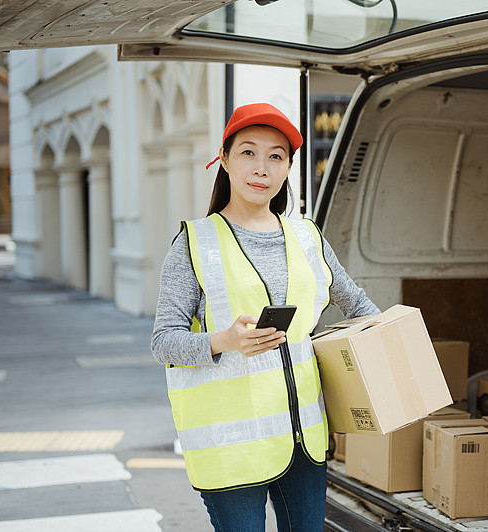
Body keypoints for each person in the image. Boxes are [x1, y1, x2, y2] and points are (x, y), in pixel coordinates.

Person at [151, 102, 379, 531]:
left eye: (276, 156)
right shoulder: (195, 243)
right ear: (224, 159)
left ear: (288, 167)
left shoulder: (308, 237)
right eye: (248, 152)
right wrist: (224, 340)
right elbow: (164, 342)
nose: (261, 168)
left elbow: (362, 309)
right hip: (230, 445)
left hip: (303, 437)